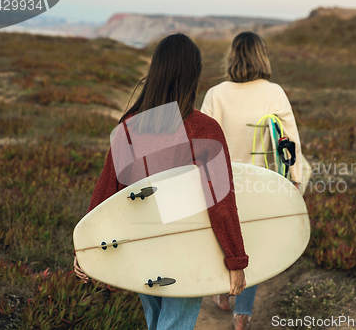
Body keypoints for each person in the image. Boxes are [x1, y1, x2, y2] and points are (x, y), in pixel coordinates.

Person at [73, 33, 248, 330]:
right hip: (187, 247)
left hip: (141, 245)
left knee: (157, 322)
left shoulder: (131, 125)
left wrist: (86, 247)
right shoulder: (203, 128)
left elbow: (106, 194)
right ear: (192, 75)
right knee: (173, 324)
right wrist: (236, 261)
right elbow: (221, 202)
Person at [201, 31, 303, 330]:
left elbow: (201, 143)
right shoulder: (274, 92)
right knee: (253, 244)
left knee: (224, 236)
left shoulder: (216, 94)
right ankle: (242, 314)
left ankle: (222, 294)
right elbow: (290, 140)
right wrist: (295, 181)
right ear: (262, 56)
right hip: (261, 183)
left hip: (222, 184)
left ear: (231, 57)